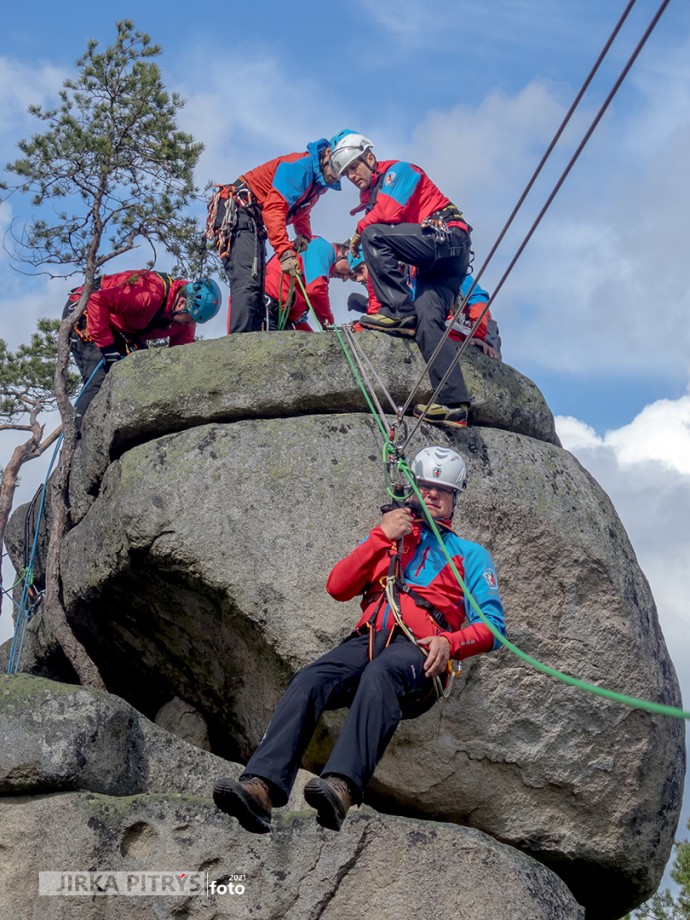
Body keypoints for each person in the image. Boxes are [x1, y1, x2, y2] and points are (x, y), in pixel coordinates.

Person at [213, 445, 506, 834]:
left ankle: (343, 786)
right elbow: (337, 586)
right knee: (309, 679)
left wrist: (452, 643)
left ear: (455, 499)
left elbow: (493, 626)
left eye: (443, 490)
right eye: (426, 486)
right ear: (412, 489)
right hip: (370, 639)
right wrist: (380, 537)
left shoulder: (470, 555)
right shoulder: (391, 541)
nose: (433, 494)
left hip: (419, 653)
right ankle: (261, 787)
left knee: (382, 674)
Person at [330, 130, 473, 429]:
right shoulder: (374, 205)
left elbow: (390, 213)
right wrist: (371, 316)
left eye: (354, 167)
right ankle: (454, 404)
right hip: (436, 264)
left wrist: (360, 228)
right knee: (427, 320)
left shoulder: (400, 172)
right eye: (346, 173)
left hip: (447, 238)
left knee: (373, 234)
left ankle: (399, 312)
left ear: (370, 157)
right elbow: (377, 272)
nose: (352, 176)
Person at [206, 140, 341, 334]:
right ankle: (239, 345)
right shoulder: (300, 168)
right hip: (239, 209)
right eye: (337, 166)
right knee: (248, 281)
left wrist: (304, 234)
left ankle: (250, 341)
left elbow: (302, 210)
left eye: (342, 171)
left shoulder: (316, 185)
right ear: (328, 153)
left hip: (251, 217)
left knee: (256, 286)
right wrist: (285, 252)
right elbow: (274, 209)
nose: (337, 175)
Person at [64, 270, 221, 427]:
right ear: (181, 304)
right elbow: (96, 301)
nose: (189, 324)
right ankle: (76, 437)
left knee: (143, 375)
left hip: (120, 328)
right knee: (100, 380)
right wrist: (107, 348)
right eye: (189, 319)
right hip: (86, 311)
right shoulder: (149, 292)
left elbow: (180, 359)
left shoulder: (183, 321)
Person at [239, 237, 351, 332]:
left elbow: (300, 315)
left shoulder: (316, 262)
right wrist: (329, 324)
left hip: (280, 313)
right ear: (346, 254)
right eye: (351, 273)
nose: (345, 278)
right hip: (271, 307)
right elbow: (316, 290)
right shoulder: (325, 248)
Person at [447, 275, 502, 360]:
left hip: (475, 324)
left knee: (489, 350)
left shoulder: (456, 270)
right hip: (448, 323)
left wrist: (478, 335)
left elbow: (478, 300)